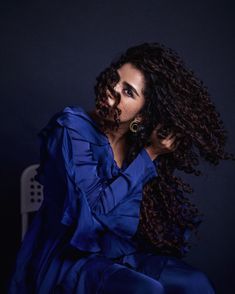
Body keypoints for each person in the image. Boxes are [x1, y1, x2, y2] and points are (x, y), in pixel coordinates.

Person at [9, 42, 234, 293]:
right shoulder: (70, 128)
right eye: (114, 80)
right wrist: (150, 155)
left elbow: (125, 223)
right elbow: (94, 213)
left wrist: (148, 153)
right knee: (145, 289)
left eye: (128, 91)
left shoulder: (135, 145)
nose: (112, 90)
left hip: (114, 253)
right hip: (67, 258)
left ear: (142, 116)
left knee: (195, 283)